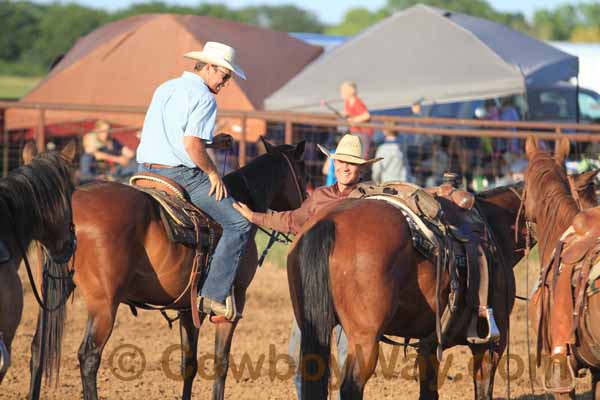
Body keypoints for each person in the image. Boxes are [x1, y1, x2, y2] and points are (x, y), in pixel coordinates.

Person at [233, 134, 383, 399]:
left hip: (354, 290)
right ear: (333, 164)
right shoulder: (320, 197)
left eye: (351, 163)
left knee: (351, 358)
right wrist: (254, 216)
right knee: (301, 357)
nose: (345, 168)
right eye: (340, 162)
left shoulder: (371, 199)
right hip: (316, 284)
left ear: (361, 167)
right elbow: (293, 220)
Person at [136, 41, 251, 321]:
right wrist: (212, 173)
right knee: (239, 223)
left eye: (228, 78)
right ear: (209, 67)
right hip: (179, 175)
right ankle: (212, 295)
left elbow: (172, 133)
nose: (225, 83)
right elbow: (190, 144)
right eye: (224, 75)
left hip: (145, 170)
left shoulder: (165, 87)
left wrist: (210, 141)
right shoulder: (205, 97)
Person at [340, 81, 372, 159]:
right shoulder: (347, 102)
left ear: (351, 91)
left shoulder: (357, 102)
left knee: (362, 154)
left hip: (363, 132)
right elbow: (349, 113)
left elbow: (366, 115)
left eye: (344, 90)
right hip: (354, 131)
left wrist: (354, 120)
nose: (342, 93)